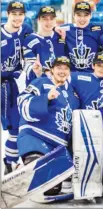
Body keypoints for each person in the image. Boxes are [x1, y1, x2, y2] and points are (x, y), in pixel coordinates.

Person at [16, 56, 75, 198]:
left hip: (58, 146)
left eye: (66, 68)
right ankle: (25, 168)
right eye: (59, 68)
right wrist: (46, 98)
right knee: (37, 162)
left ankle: (30, 172)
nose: (62, 71)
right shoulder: (41, 82)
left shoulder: (72, 94)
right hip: (36, 136)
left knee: (51, 188)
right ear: (52, 70)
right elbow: (22, 101)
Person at [1, 0, 33, 173]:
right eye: (14, 14)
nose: (17, 17)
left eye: (20, 14)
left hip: (12, 86)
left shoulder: (26, 30)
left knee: (15, 128)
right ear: (8, 14)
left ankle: (9, 164)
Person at [22, 6, 66, 85]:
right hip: (38, 85)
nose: (48, 22)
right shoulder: (29, 40)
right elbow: (28, 67)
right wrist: (38, 70)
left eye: (51, 19)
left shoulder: (60, 36)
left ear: (55, 20)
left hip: (60, 85)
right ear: (38, 20)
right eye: (45, 19)